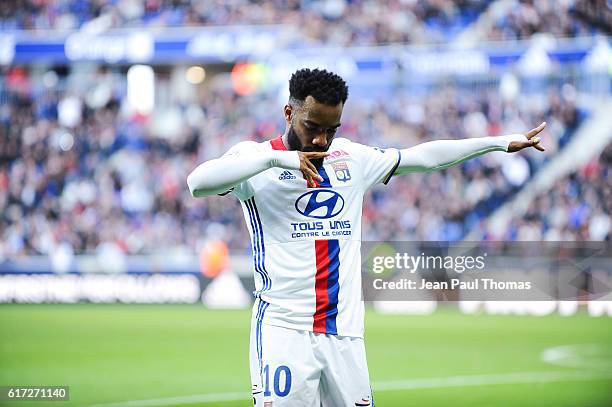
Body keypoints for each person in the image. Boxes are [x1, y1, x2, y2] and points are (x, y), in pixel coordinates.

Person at [187, 68, 545, 406]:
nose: (321, 140)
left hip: (345, 334)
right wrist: (277, 162)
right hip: (285, 331)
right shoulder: (256, 159)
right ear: (288, 113)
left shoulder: (351, 158)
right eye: (313, 126)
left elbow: (423, 157)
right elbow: (198, 183)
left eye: (332, 129)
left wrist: (498, 142)